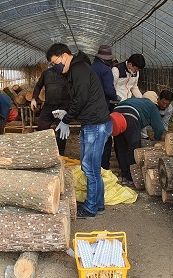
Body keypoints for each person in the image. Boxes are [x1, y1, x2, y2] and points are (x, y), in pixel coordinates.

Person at [47, 43, 112, 220]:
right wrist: (66, 112)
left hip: (96, 125)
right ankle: (98, 205)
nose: (55, 66)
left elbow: (82, 97)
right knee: (92, 168)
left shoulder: (79, 69)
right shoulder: (75, 71)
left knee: (90, 169)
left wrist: (67, 119)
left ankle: (90, 209)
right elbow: (77, 97)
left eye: (55, 62)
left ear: (65, 56)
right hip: (92, 123)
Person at [112, 91, 165, 187]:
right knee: (134, 149)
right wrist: (157, 138)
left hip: (115, 116)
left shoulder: (133, 100)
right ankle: (131, 177)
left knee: (121, 148)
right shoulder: (151, 106)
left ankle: (124, 176)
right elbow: (159, 128)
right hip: (131, 117)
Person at [91, 45, 119, 170]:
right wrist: (115, 96)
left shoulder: (90, 68)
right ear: (106, 59)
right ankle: (103, 167)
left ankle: (91, 165)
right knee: (106, 139)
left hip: (89, 108)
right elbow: (109, 90)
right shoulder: (106, 70)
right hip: (102, 107)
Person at [30, 66, 70, 155]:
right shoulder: (46, 72)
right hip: (48, 105)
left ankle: (60, 153)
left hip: (62, 106)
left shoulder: (68, 72)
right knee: (41, 127)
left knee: (61, 130)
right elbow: (38, 85)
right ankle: (43, 151)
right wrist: (34, 99)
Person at [112, 53, 148, 138]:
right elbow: (111, 88)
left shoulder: (136, 73)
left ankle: (142, 136)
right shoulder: (116, 70)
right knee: (118, 124)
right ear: (129, 64)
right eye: (135, 69)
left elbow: (134, 87)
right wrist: (118, 99)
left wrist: (141, 99)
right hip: (117, 103)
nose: (136, 71)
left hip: (129, 102)